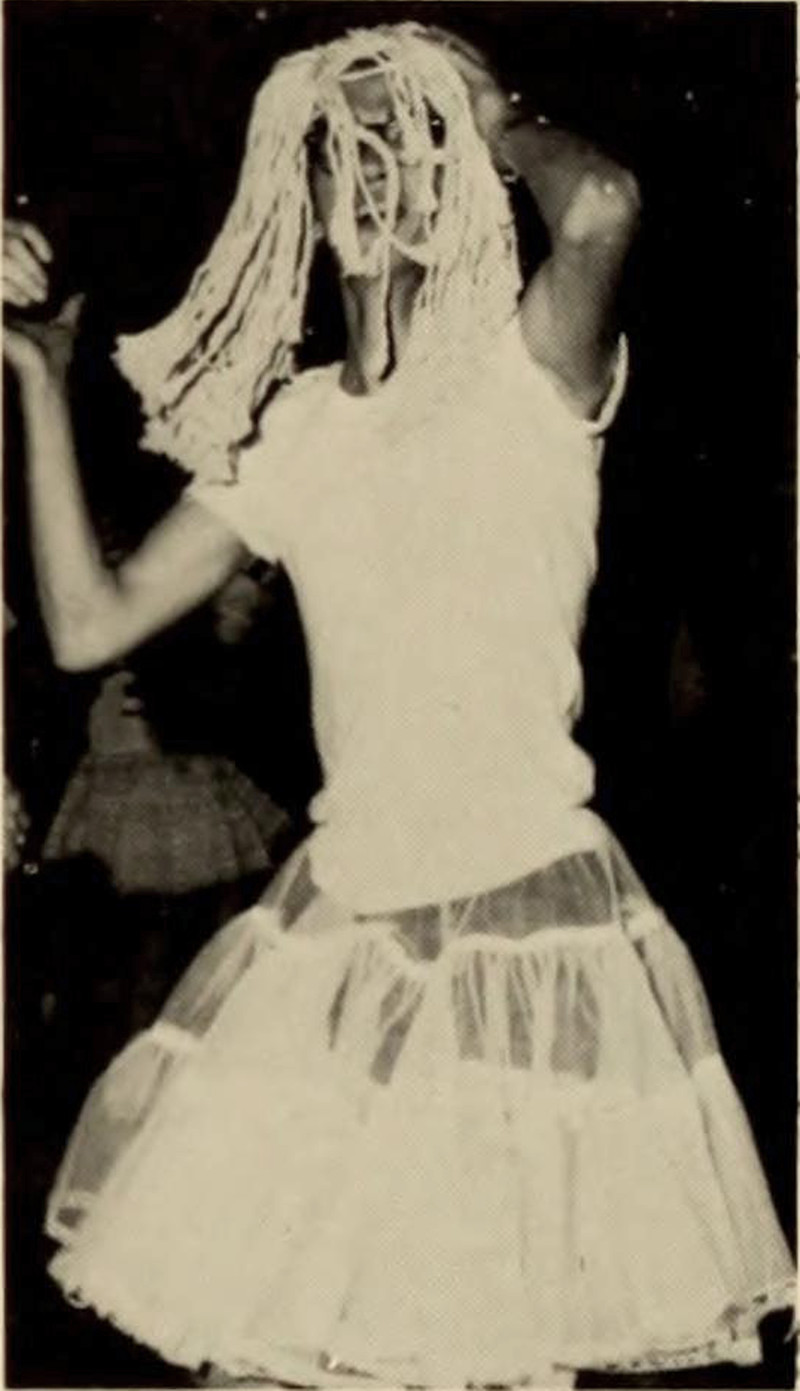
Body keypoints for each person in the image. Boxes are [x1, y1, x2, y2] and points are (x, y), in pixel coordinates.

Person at [3, 22, 793, 1389]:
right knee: (262, 1356)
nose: (374, 166)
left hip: (521, 923)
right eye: (344, 149)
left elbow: (601, 206)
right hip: (345, 930)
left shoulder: (532, 370)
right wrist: (35, 378)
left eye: (407, 139)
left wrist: (492, 117)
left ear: (461, 175)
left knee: (468, 1345)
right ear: (304, 195)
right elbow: (86, 626)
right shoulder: (295, 429)